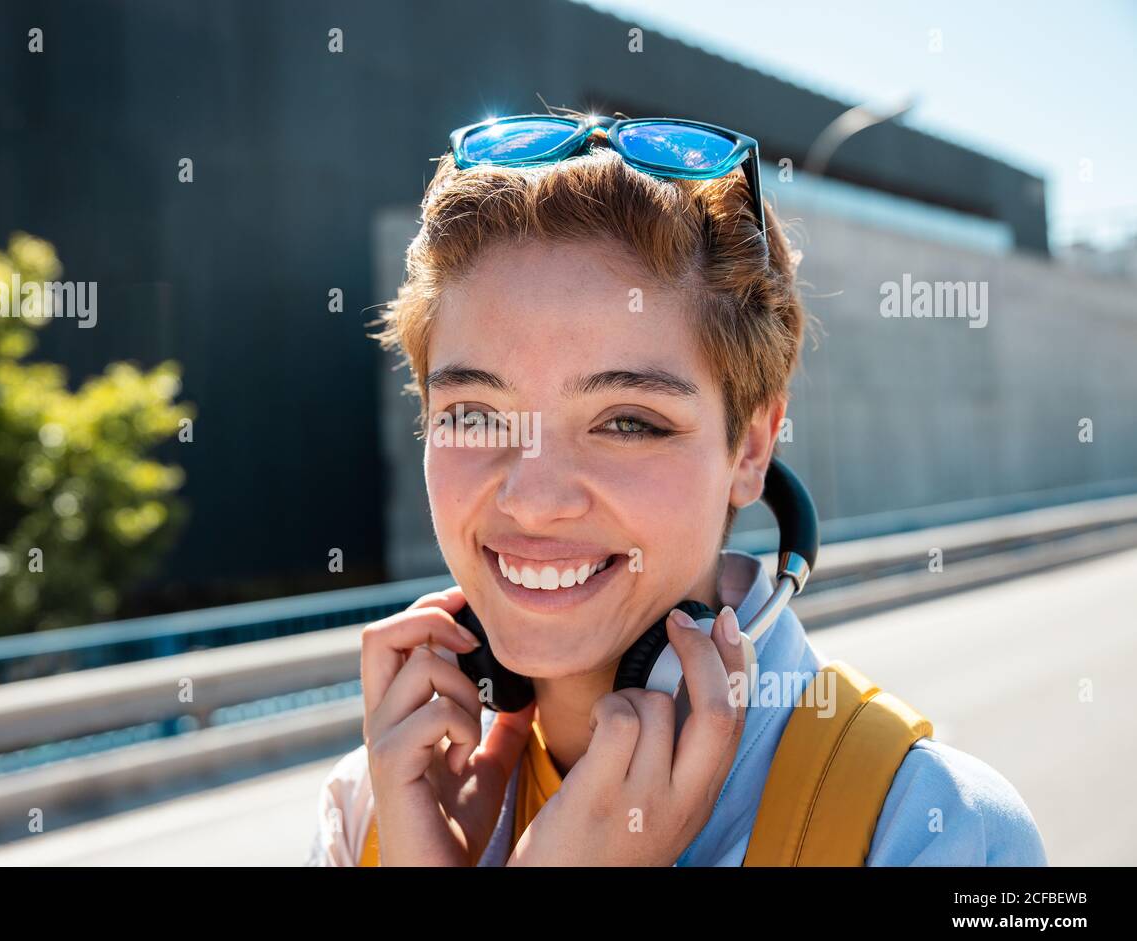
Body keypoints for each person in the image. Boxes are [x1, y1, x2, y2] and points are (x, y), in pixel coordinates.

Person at [305, 112, 1047, 866]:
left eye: (627, 422)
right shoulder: (372, 807)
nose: (533, 497)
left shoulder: (935, 830)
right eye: (475, 415)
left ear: (751, 445)